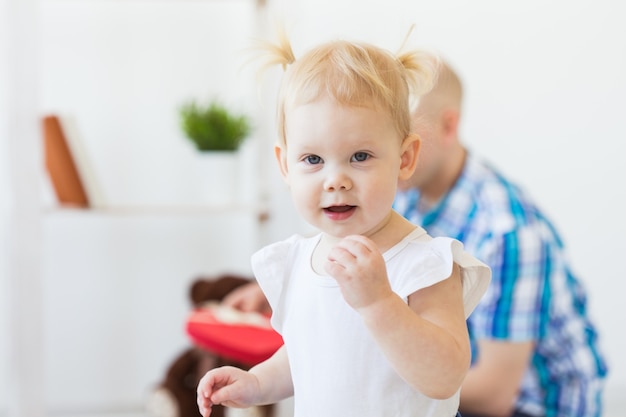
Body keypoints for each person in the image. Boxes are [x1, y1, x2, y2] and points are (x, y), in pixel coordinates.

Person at [196, 35, 491, 417]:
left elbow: (445, 376)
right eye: (313, 159)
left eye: (360, 156)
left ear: (404, 158)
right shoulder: (300, 260)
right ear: (285, 165)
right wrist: (256, 383)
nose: (335, 180)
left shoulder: (425, 264)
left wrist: (379, 302)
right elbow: (308, 356)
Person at [393, 61, 608, 417]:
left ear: (448, 126)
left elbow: (494, 395)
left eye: (407, 137)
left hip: (532, 405)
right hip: (449, 374)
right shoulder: (406, 188)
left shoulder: (508, 233)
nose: (395, 153)